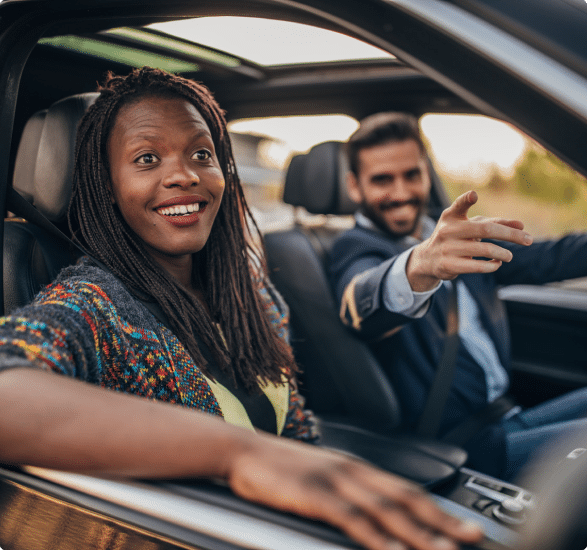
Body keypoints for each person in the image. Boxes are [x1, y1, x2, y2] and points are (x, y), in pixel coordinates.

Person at [0, 69, 483, 550]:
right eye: (147, 158)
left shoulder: (249, 294)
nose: (184, 174)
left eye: (201, 154)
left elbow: (296, 433)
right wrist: (239, 454)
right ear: (105, 184)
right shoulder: (95, 305)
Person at [328, 111, 587, 481]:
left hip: (509, 413)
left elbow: (549, 258)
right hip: (461, 448)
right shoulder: (353, 247)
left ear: (426, 174)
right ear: (355, 186)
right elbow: (359, 304)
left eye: (411, 175)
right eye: (382, 179)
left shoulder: (450, 232)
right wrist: (418, 265)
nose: (401, 193)